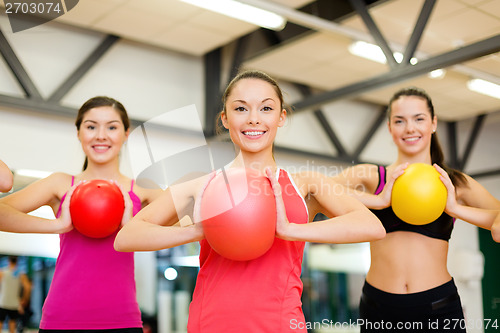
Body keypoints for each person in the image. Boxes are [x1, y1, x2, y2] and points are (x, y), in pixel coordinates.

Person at [114, 69, 386, 332]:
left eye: (266, 109)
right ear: (225, 118)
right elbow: (127, 237)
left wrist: (292, 230)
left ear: (281, 117)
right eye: (241, 108)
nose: (253, 119)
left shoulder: (305, 184)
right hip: (211, 323)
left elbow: (371, 226)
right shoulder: (202, 185)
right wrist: (197, 230)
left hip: (279, 324)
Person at [331, 87, 500, 332]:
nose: (410, 128)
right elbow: (313, 191)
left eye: (419, 119)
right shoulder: (371, 177)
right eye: (400, 121)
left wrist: (455, 208)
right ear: (390, 127)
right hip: (378, 309)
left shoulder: (454, 182)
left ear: (433, 123)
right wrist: (378, 201)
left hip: (437, 308)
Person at [0, 96, 162, 332]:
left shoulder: (143, 189)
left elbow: (189, 227)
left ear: (126, 133)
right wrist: (59, 224)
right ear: (78, 133)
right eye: (91, 126)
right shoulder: (60, 183)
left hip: (121, 320)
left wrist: (134, 226)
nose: (101, 135)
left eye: (112, 127)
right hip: (61, 319)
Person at [0, 256, 31, 333]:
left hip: (3, 302)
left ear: (8, 261)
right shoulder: (20, 273)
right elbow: (28, 287)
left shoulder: (2, 272)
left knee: (0, 323)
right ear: (17, 262)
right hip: (14, 303)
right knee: (12, 324)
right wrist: (24, 299)